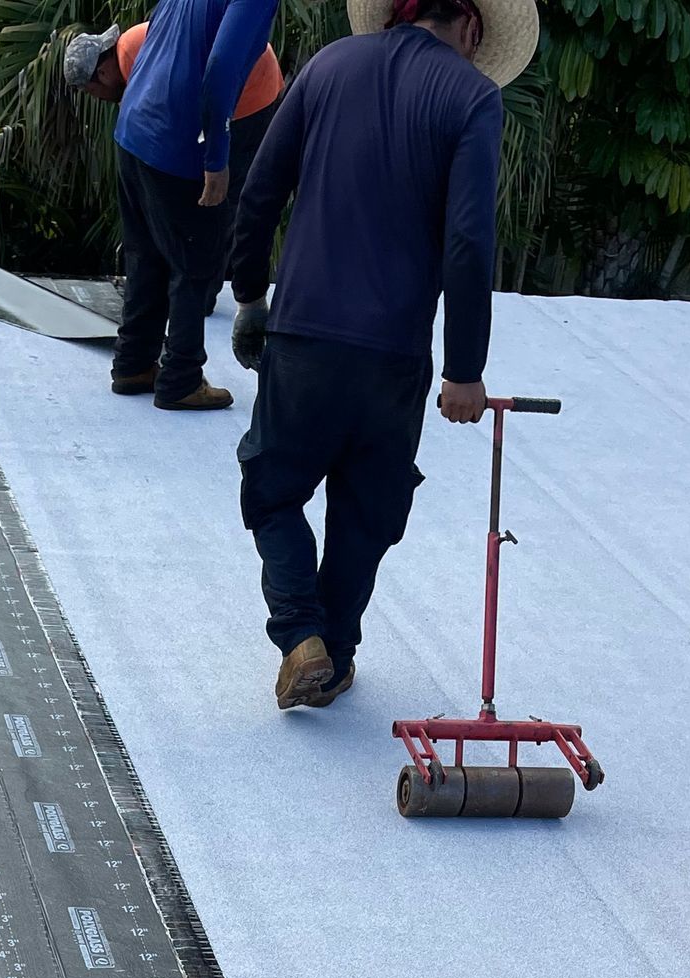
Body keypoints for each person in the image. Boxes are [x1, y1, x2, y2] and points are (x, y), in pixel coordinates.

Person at [226, 0, 540, 709]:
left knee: (273, 491)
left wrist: (250, 297)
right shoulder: (472, 98)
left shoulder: (328, 66)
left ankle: (303, 638)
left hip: (303, 338)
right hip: (394, 355)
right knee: (367, 511)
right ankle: (331, 651)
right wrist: (464, 368)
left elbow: (262, 191)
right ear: (470, 26)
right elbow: (467, 243)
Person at [64, 0, 280, 412]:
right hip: (177, 141)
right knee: (195, 263)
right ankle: (181, 378)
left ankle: (133, 365)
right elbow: (220, 73)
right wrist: (216, 159)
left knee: (146, 255)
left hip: (133, 131)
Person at [65, 20, 285, 295]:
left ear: (103, 72)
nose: (96, 98)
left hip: (249, 94)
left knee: (221, 198)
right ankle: (192, 285)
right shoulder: (128, 53)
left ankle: (204, 293)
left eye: (90, 91)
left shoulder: (136, 62)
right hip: (237, 75)